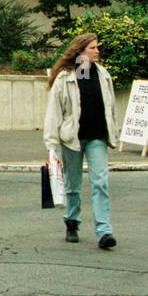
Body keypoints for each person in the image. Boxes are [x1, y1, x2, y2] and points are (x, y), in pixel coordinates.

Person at [44, 33, 118, 250]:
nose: (97, 51)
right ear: (81, 51)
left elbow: (110, 107)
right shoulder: (65, 77)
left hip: (97, 137)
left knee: (101, 183)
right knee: (73, 184)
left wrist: (112, 132)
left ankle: (104, 231)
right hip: (72, 138)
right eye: (93, 48)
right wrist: (51, 144)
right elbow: (54, 112)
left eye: (97, 47)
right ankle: (72, 222)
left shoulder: (103, 74)